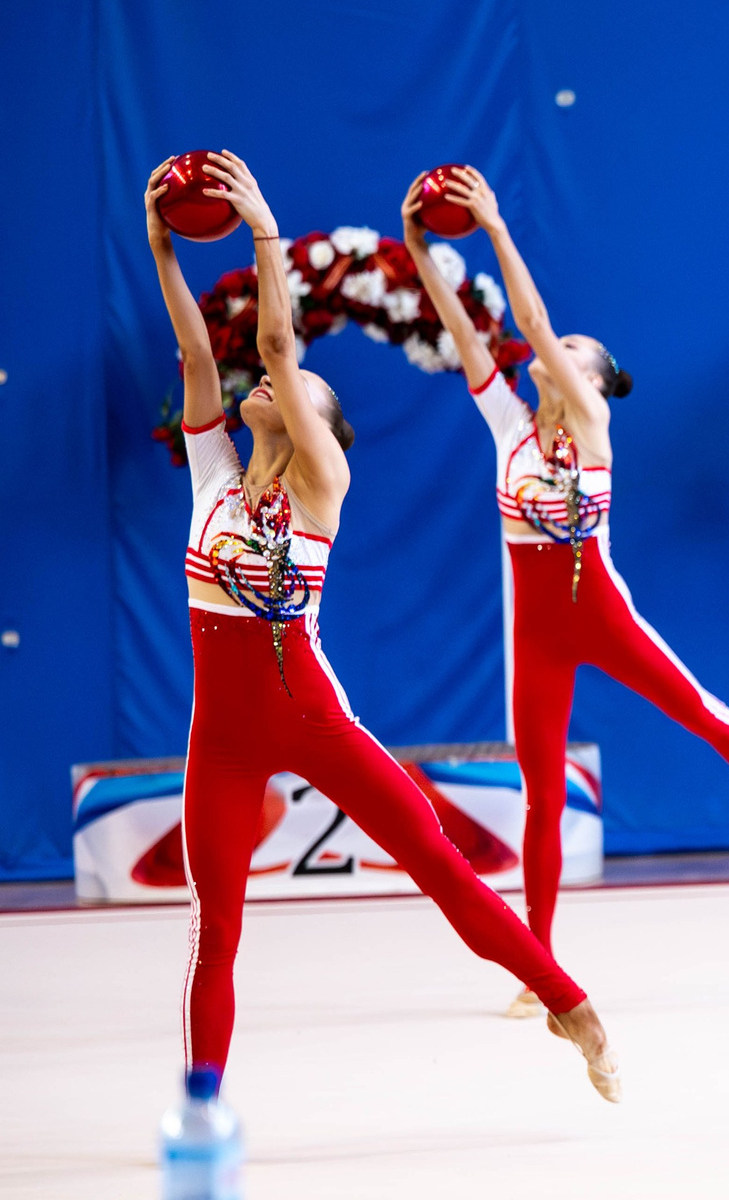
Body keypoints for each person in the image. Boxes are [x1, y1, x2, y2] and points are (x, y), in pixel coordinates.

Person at [147, 152, 619, 1102]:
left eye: (297, 388)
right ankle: (202, 1107)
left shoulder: (324, 484)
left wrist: (267, 233)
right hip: (224, 741)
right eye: (277, 381)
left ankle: (573, 1007)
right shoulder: (210, 473)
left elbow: (277, 349)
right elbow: (201, 356)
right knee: (217, 931)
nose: (273, 381)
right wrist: (161, 250)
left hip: (317, 719)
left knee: (439, 866)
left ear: (319, 422)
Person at [401, 168, 729, 1017]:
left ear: (596, 380)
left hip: (602, 613)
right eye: (556, 351)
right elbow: (468, 331)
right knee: (540, 790)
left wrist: (495, 228)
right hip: (536, 630)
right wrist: (423, 248)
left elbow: (529, 325)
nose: (553, 355)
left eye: (574, 354)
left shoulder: (596, 423)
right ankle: (538, 966)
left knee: (700, 712)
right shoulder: (509, 426)